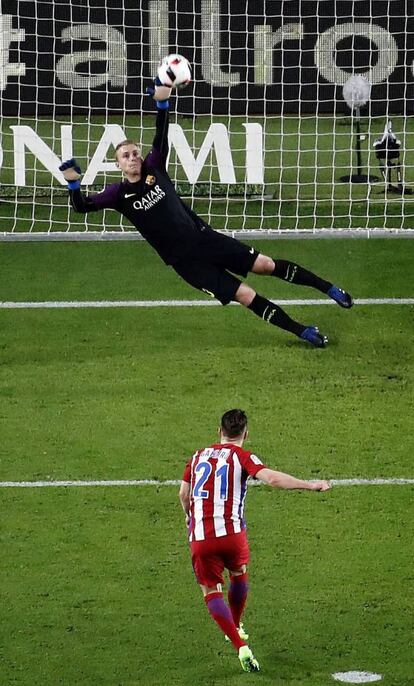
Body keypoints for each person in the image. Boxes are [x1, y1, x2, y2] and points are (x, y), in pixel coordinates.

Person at [59, 79, 353, 348]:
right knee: (245, 295)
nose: (133, 158)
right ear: (119, 165)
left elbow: (161, 134)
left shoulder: (155, 168)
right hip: (186, 263)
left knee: (265, 264)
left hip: (205, 239)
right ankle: (302, 331)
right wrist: (73, 184)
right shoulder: (117, 194)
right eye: (126, 156)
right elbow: (82, 207)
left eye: (135, 153)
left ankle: (329, 288)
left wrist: (163, 103)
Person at [179, 408, 331, 673]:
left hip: (201, 538)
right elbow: (271, 478)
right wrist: (310, 485)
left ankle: (240, 646)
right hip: (233, 535)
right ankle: (236, 624)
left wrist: (190, 517)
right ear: (245, 434)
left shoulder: (197, 456)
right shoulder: (242, 456)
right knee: (239, 573)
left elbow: (183, 493)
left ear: (219, 432)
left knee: (211, 590)